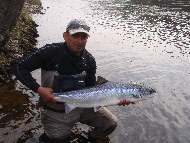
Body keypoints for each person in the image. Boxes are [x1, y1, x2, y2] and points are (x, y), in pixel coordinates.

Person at [12, 19, 134, 142]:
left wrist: (116, 98)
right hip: (55, 111)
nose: (79, 41)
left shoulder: (89, 60)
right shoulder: (51, 51)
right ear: (66, 36)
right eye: (75, 35)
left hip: (84, 106)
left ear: (87, 38)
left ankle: (86, 138)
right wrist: (38, 89)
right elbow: (19, 67)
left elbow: (92, 89)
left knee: (110, 123)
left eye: (84, 37)